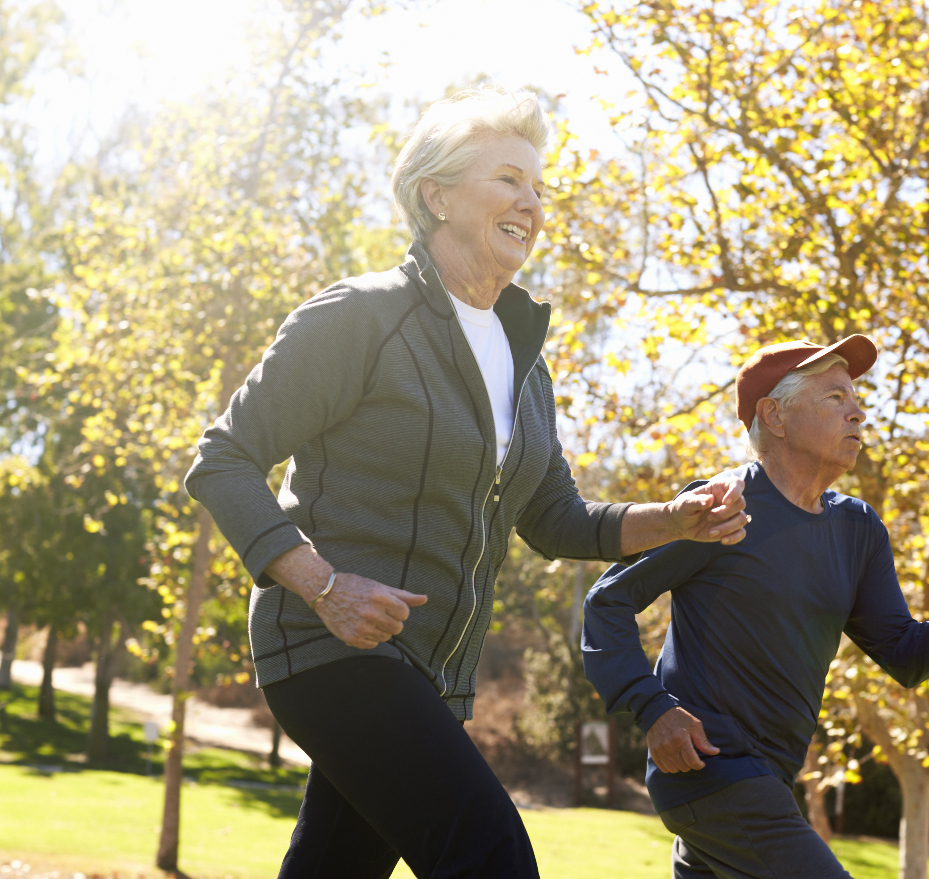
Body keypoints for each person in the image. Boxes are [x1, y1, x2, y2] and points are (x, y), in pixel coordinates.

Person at [184, 86, 749, 879]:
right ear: (436, 195)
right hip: (326, 646)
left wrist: (676, 518)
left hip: (433, 676)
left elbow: (554, 518)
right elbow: (223, 459)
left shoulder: (525, 363)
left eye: (540, 187)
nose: (533, 202)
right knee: (490, 854)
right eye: (509, 180)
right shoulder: (361, 316)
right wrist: (324, 585)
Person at [581, 335, 929, 879]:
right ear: (774, 416)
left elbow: (906, 655)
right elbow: (607, 602)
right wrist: (653, 709)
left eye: (856, 398)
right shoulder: (720, 507)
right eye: (834, 398)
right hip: (711, 772)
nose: (858, 411)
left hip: (768, 781)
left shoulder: (857, 529)